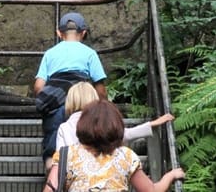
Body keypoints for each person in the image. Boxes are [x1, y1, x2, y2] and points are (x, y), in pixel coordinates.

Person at [42, 100, 184, 192]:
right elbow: (151, 190)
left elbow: (51, 189)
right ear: (116, 126)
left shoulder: (67, 155)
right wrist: (170, 175)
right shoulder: (126, 156)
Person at [34, 12, 106, 162]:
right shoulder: (90, 54)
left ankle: (51, 170)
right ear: (83, 33)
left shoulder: (50, 53)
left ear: (59, 33)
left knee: (53, 139)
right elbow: (100, 89)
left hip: (55, 105)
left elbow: (38, 87)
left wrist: (54, 95)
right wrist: (103, 105)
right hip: (82, 105)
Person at [53, 82, 174, 153]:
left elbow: (60, 158)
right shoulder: (101, 122)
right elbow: (125, 134)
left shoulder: (64, 128)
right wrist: (152, 124)